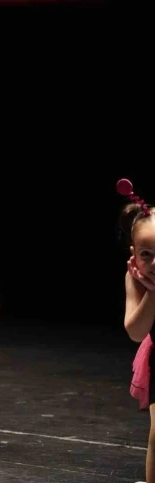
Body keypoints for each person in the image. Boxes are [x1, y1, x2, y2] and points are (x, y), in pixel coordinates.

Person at [118, 179, 155, 483]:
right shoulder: (135, 280)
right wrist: (154, 293)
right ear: (134, 253)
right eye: (146, 254)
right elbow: (135, 331)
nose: (154, 262)